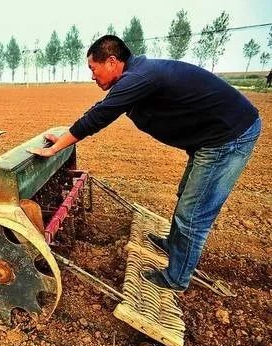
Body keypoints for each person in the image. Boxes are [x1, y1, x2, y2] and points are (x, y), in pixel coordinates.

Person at [28, 35, 261, 292]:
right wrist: (65, 136)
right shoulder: (138, 75)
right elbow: (103, 106)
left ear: (112, 61)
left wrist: (58, 148)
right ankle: (174, 245)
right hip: (213, 138)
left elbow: (100, 116)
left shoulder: (140, 77)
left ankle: (176, 279)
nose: (92, 76)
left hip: (228, 138)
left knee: (193, 214)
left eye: (93, 69)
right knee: (186, 195)